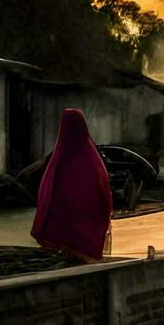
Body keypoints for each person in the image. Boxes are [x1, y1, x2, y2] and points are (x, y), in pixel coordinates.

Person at [31, 108, 113, 261]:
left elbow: (45, 195)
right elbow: (104, 192)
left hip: (63, 237)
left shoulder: (59, 159)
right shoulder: (92, 158)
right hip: (87, 238)